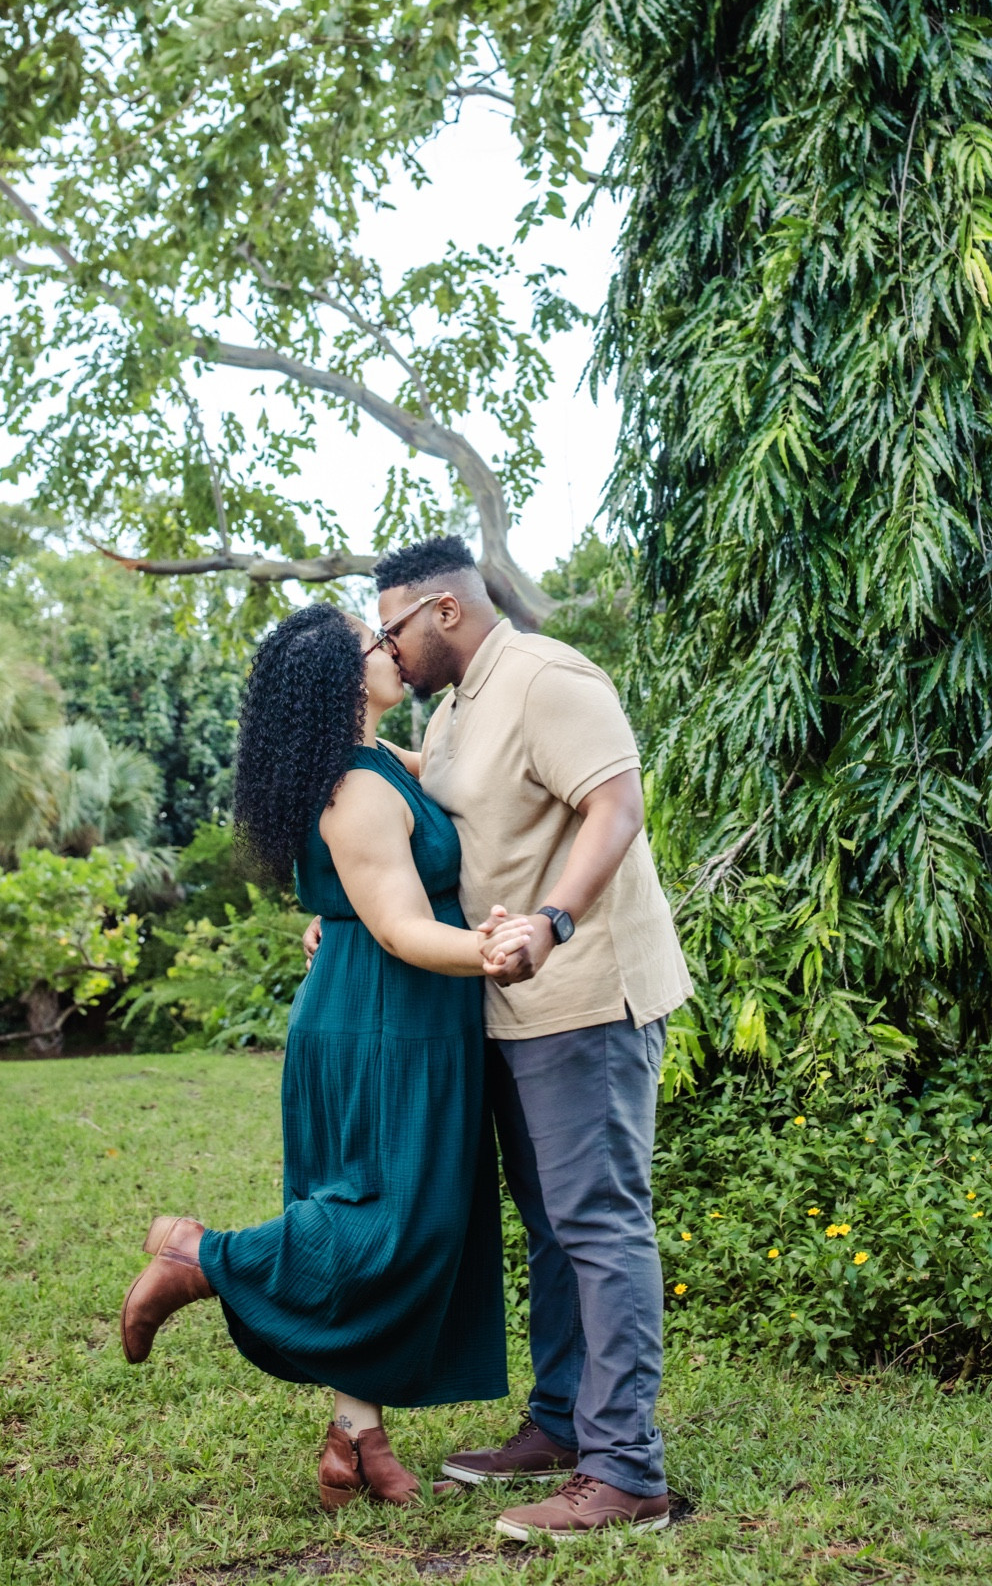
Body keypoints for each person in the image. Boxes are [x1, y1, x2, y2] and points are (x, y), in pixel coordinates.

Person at [311, 535, 693, 1541]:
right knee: (553, 1224)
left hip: (584, 995)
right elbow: (428, 799)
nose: (386, 644)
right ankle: (564, 1422)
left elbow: (616, 804)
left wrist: (552, 918)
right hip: (509, 1005)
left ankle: (625, 1474)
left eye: (390, 625)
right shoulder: (455, 704)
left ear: (443, 610)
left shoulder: (544, 677)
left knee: (597, 1223)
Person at [119, 601, 531, 1509]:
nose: (393, 651)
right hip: (383, 1015)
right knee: (390, 1221)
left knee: (418, 1216)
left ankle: (356, 1434)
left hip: (406, 1013)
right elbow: (398, 926)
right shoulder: (354, 787)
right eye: (375, 644)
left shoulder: (385, 760)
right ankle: (200, 1256)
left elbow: (479, 787)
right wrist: (496, 948)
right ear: (342, 680)